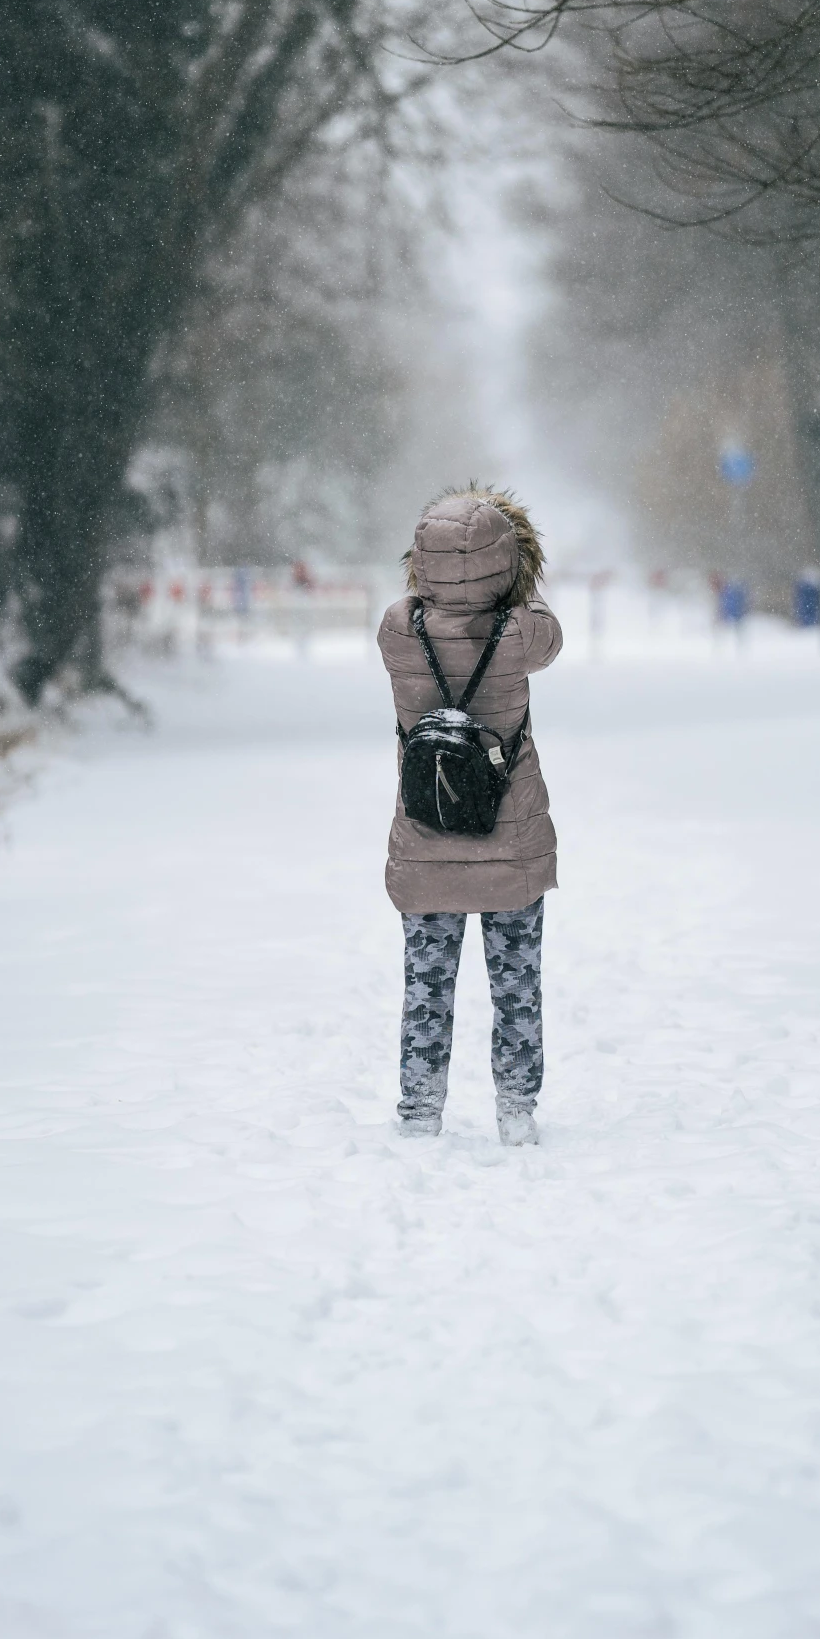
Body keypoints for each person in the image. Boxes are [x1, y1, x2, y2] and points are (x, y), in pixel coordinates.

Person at [378, 487, 563, 1145]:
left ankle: (419, 1112)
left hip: (426, 838)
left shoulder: (398, 628)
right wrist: (519, 580)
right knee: (516, 984)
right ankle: (515, 1110)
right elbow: (548, 629)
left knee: (426, 985)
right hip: (509, 842)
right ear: (507, 561)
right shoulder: (521, 632)